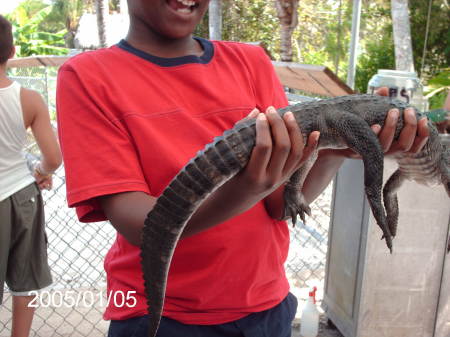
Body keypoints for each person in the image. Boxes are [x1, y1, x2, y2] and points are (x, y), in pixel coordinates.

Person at [56, 1, 429, 337]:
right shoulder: (88, 75)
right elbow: (139, 224)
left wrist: (333, 152)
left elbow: (280, 205)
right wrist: (246, 188)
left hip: (267, 307)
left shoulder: (250, 61)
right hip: (161, 316)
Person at [0, 15, 62, 337]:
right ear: (11, 51)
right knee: (26, 281)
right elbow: (53, 158)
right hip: (21, 196)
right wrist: (39, 170)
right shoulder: (29, 98)